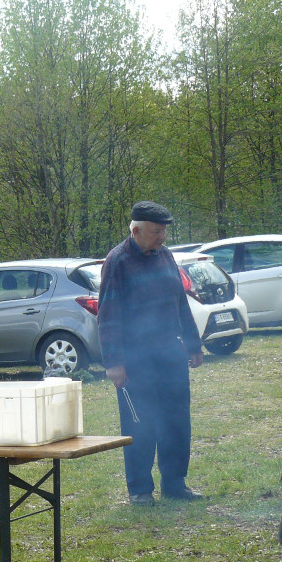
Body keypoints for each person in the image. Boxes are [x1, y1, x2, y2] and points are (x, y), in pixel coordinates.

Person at [97, 201, 205, 506]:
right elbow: (108, 314)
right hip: (135, 359)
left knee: (176, 420)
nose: (162, 237)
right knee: (139, 423)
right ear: (136, 230)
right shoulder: (117, 262)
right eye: (157, 231)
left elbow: (180, 302)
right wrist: (114, 362)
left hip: (170, 353)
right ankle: (140, 490)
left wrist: (193, 344)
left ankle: (175, 483)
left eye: (164, 231)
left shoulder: (165, 256)